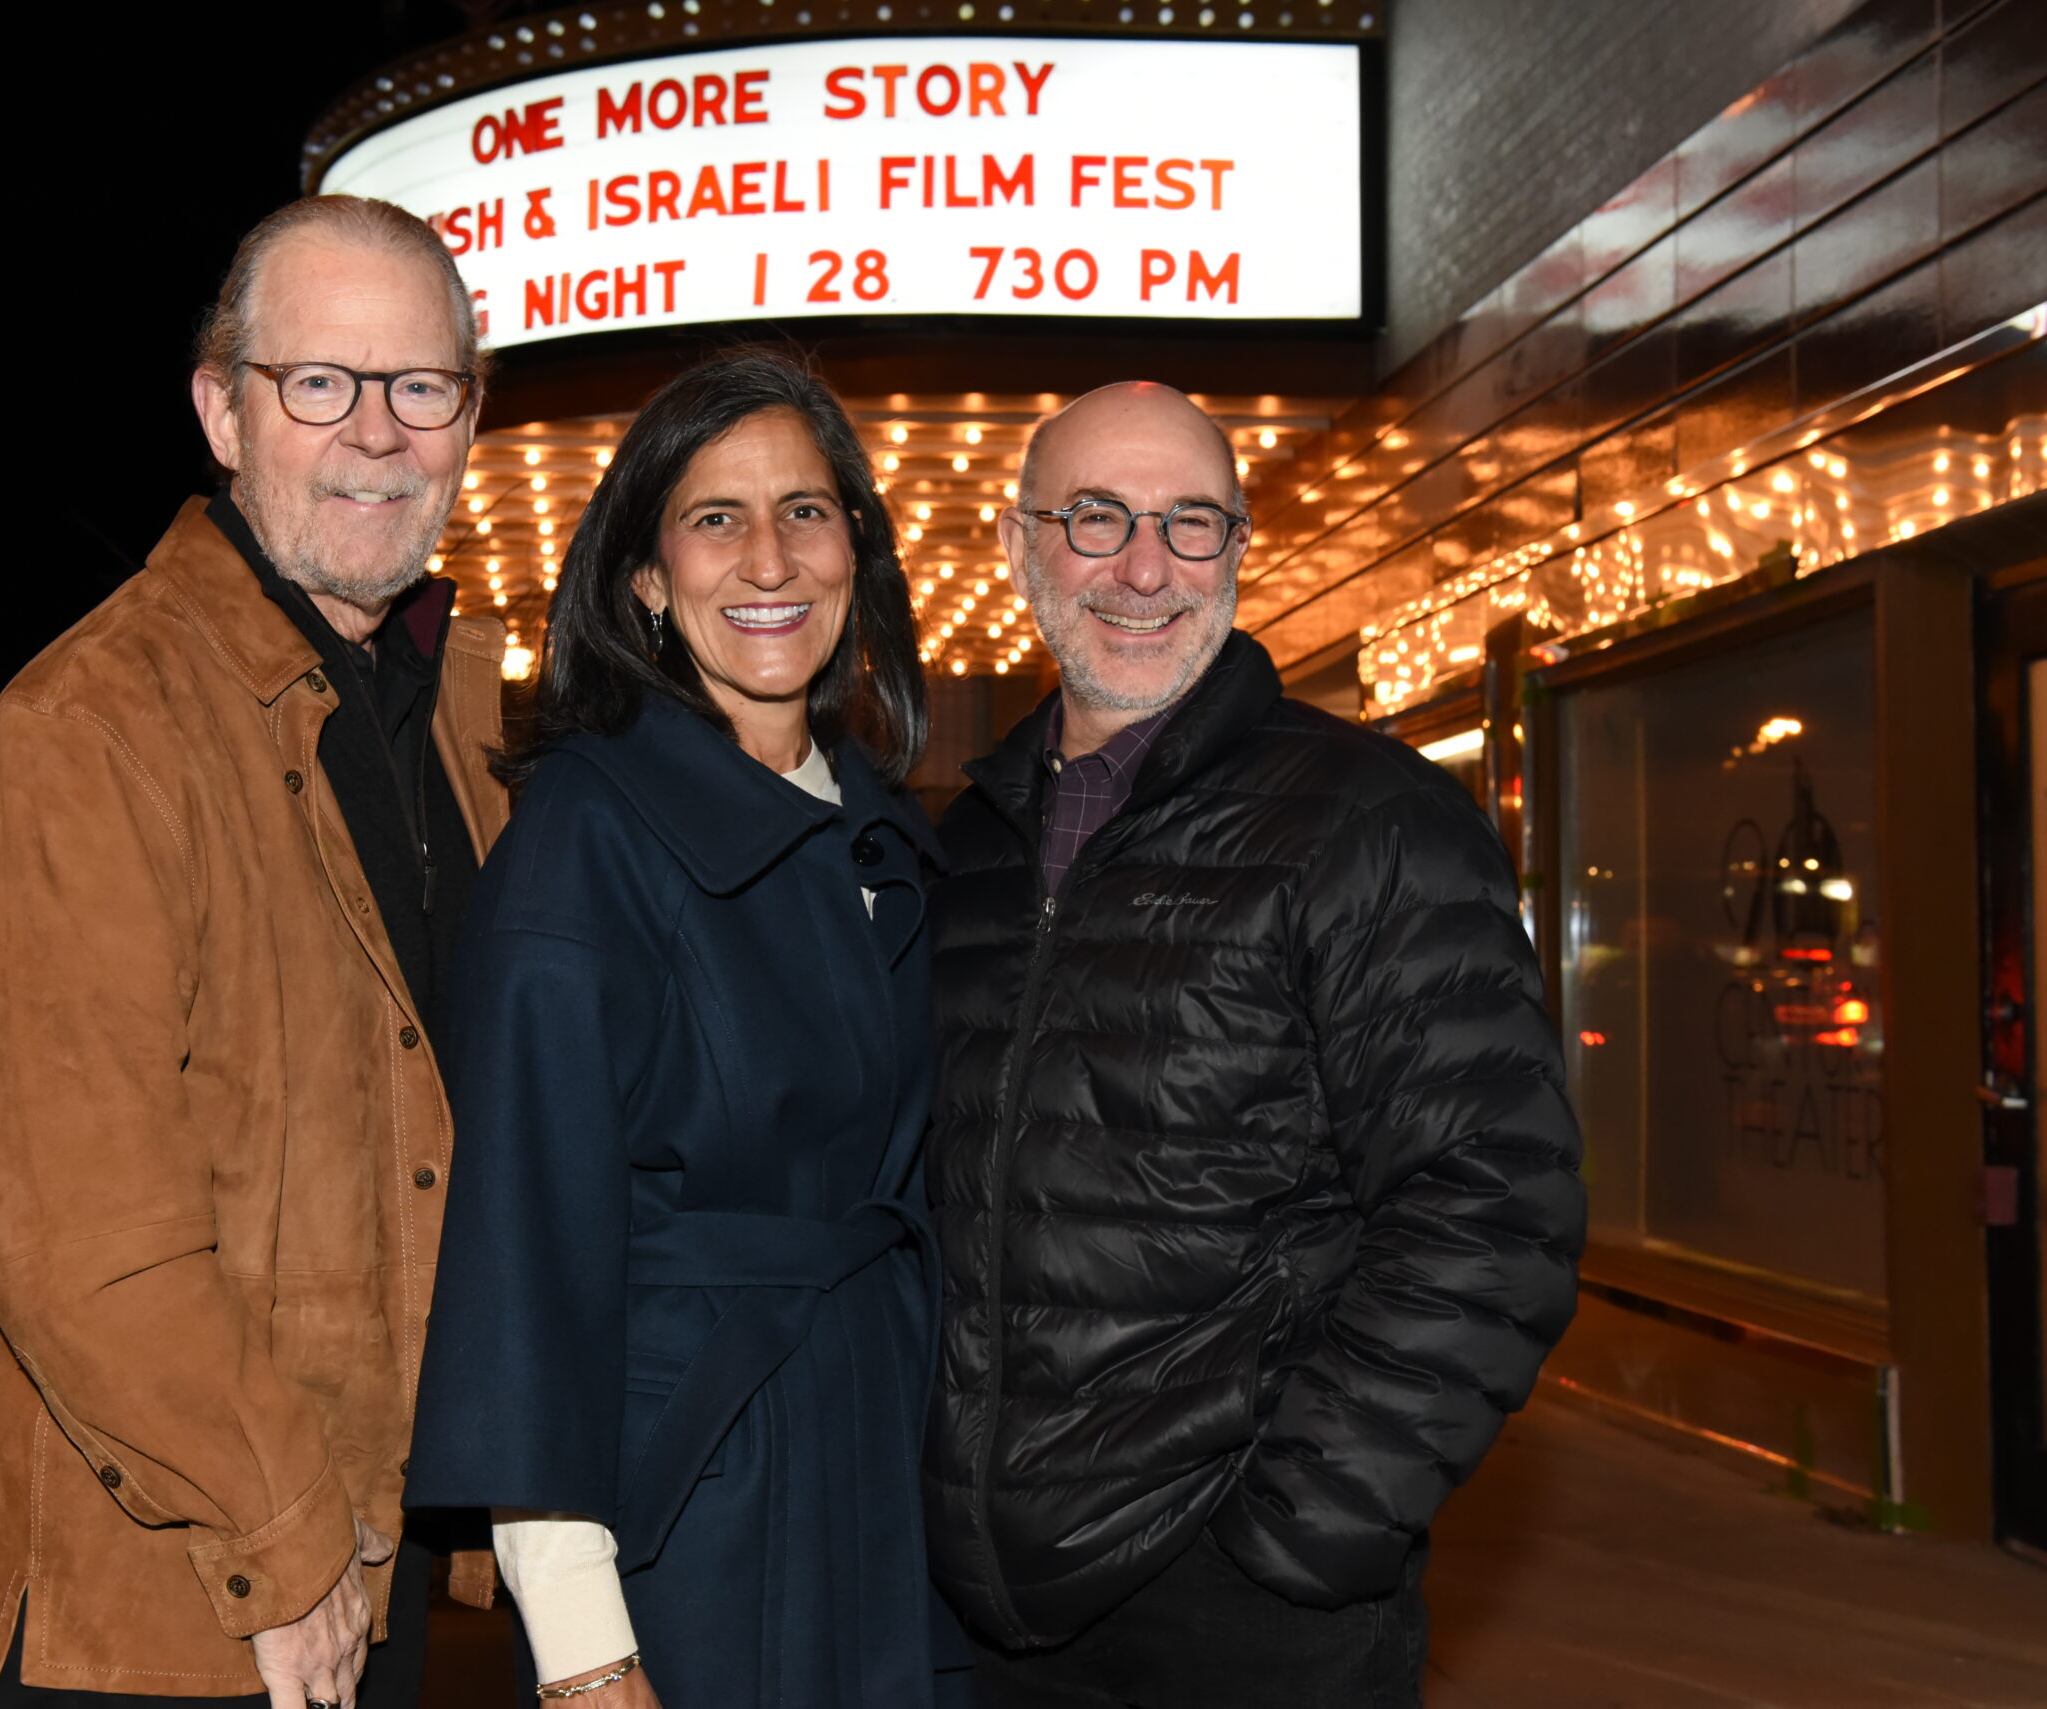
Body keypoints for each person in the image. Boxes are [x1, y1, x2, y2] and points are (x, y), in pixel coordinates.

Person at [0, 195, 507, 1709]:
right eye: (319, 382)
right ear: (222, 411)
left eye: (420, 385)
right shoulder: (87, 732)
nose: (376, 431)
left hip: (351, 1560)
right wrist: (287, 1536)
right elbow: (75, 1229)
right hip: (164, 1604)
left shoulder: (441, 716)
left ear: (466, 418)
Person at [921, 383, 1585, 1706]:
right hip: (986, 1617)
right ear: (1017, 546)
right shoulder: (964, 853)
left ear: (1238, 548)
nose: (1145, 566)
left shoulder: (1369, 821)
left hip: (1244, 1618)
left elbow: (1495, 1201)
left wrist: (1302, 1532)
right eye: (1097, 518)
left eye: (1191, 522)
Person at [404, 350, 945, 1707]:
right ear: (646, 579)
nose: (768, 558)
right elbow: (525, 1250)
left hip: (883, 1467)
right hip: (692, 1500)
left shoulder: (886, 835)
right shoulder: (585, 839)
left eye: (807, 512)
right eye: (714, 518)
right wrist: (586, 1645)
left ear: (856, 555)